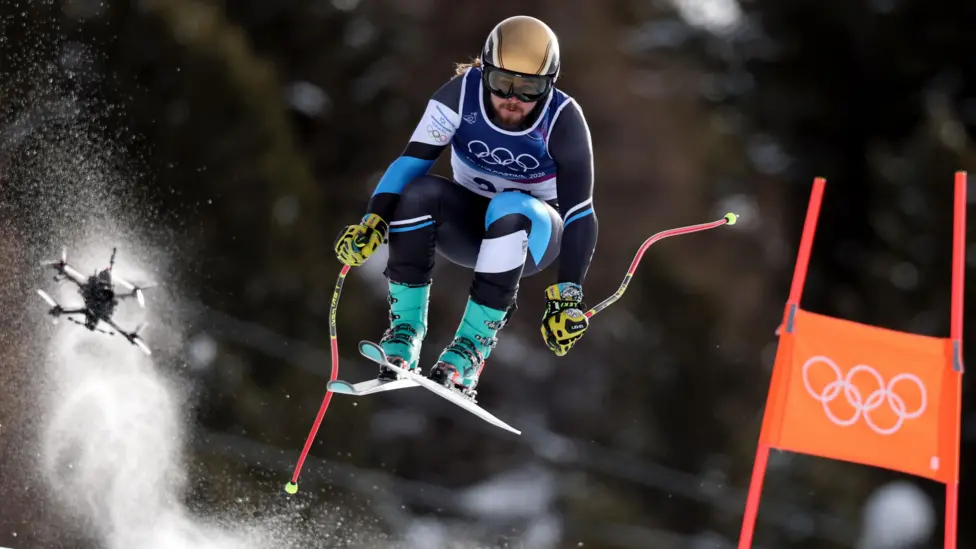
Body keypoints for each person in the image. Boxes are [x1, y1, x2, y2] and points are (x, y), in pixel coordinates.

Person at [334, 15, 597, 397]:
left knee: (511, 206)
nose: (513, 100)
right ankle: (405, 333)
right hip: (467, 227)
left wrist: (567, 296)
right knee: (419, 193)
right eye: (502, 83)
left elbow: (581, 215)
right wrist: (373, 222)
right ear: (484, 69)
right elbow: (410, 162)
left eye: (529, 89)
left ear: (550, 86)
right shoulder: (460, 95)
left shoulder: (564, 120)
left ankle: (470, 352)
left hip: (532, 237)